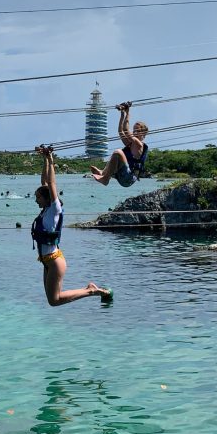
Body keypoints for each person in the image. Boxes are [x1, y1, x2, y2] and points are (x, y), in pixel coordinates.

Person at [32, 145, 112, 306]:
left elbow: (51, 183)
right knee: (52, 301)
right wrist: (46, 159)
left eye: (38, 197)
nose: (36, 200)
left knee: (55, 300)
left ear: (47, 198)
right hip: (46, 261)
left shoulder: (54, 209)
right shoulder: (46, 209)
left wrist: (51, 160)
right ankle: (91, 290)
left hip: (55, 262)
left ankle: (91, 290)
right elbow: (45, 182)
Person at [91, 101, 149, 187]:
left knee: (118, 152)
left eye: (138, 131)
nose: (135, 132)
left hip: (129, 178)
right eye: (134, 130)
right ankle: (103, 172)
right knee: (115, 155)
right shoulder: (130, 144)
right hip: (122, 175)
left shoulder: (139, 145)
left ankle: (105, 179)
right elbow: (121, 131)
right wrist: (122, 114)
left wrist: (128, 112)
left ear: (144, 134)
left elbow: (126, 130)